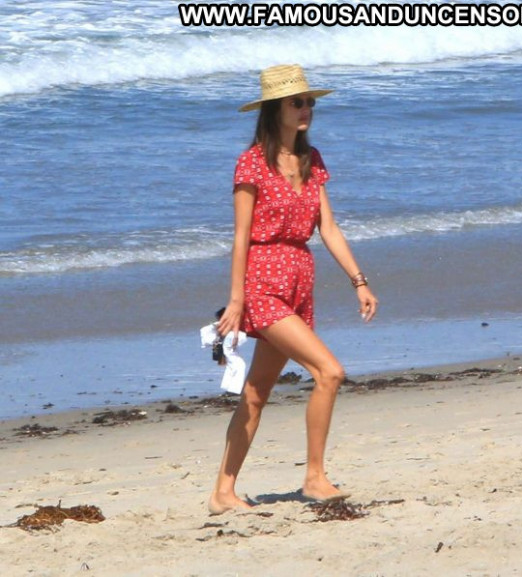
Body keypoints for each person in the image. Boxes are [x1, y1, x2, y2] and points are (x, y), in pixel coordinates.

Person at [209, 64, 378, 514]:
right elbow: (240, 236)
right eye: (296, 102)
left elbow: (329, 229)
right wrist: (237, 299)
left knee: (257, 390)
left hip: (301, 281)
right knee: (330, 371)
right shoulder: (251, 163)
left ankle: (223, 493)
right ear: (274, 109)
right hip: (263, 284)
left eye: (309, 103)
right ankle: (315, 478)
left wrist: (359, 281)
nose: (306, 110)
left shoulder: (311, 160)